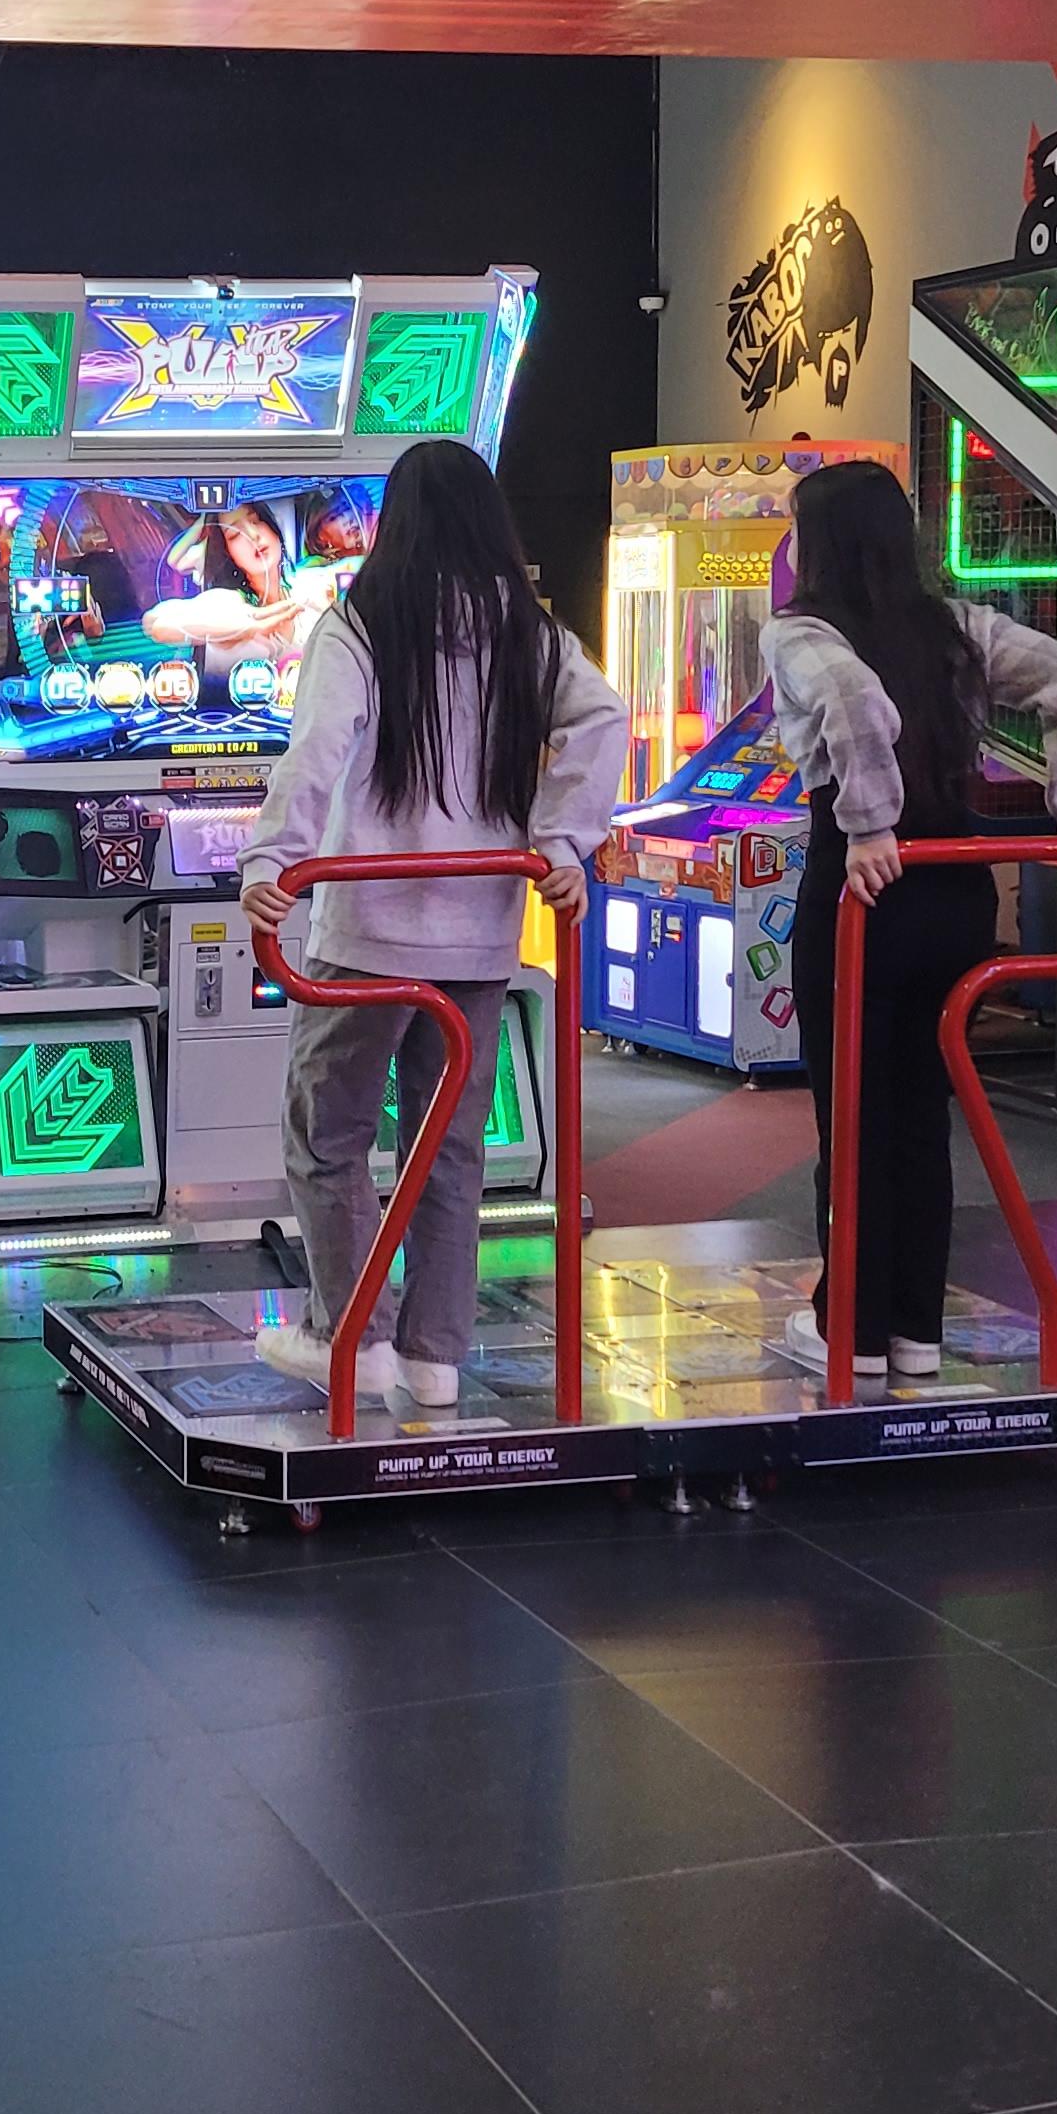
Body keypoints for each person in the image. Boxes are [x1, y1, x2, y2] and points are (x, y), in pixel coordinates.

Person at [239, 438, 624, 1409]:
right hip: (480, 930)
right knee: (447, 1148)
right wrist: (562, 841)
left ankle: (350, 1334)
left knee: (327, 1133)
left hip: (366, 929)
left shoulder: (361, 622)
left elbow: (315, 750)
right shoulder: (526, 629)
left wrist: (272, 860)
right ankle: (433, 1357)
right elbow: (603, 717)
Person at [763, 458, 1057, 1385]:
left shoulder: (800, 630)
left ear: (822, 542)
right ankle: (915, 1332)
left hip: (864, 891)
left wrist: (868, 824)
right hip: (955, 887)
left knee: (853, 1114)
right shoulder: (960, 627)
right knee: (922, 1114)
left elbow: (853, 700)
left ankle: (851, 1332)